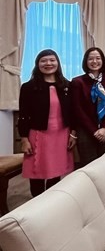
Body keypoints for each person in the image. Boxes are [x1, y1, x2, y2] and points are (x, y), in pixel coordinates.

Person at [18, 49, 76, 197]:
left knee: (56, 170)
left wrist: (73, 134)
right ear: (37, 64)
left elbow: (73, 112)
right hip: (38, 134)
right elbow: (23, 115)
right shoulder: (28, 87)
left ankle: (50, 202)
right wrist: (24, 139)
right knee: (37, 171)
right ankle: (36, 202)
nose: (48, 63)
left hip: (61, 134)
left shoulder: (67, 86)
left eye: (52, 60)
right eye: (43, 61)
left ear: (58, 63)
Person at [72, 47, 105, 166]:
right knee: (89, 165)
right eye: (90, 59)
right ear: (85, 62)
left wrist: (104, 128)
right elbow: (77, 109)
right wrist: (94, 131)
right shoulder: (78, 82)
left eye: (98, 58)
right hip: (86, 130)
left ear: (102, 60)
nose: (94, 61)